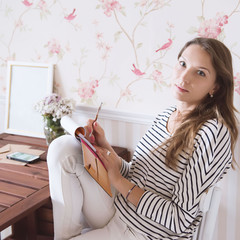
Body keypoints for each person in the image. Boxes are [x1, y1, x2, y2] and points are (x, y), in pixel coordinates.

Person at [47, 37, 239, 240]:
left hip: (147, 233)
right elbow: (137, 175)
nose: (183, 77)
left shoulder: (212, 134)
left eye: (200, 73)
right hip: (120, 209)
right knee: (63, 148)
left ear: (215, 87)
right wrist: (104, 146)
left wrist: (118, 181)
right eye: (182, 63)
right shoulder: (168, 114)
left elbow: (180, 219)